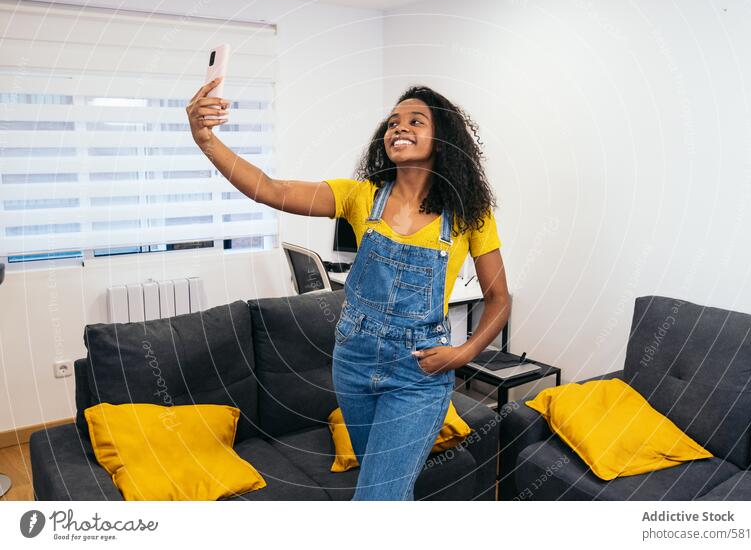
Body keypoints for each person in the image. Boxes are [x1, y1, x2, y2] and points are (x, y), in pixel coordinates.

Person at [187, 79, 511, 500]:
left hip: (417, 373)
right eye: (393, 122)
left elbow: (499, 298)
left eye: (415, 120)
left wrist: (464, 354)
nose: (399, 128)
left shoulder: (469, 214)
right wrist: (204, 138)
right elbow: (269, 189)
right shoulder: (360, 197)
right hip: (353, 363)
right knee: (386, 493)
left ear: (443, 138)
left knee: (376, 500)